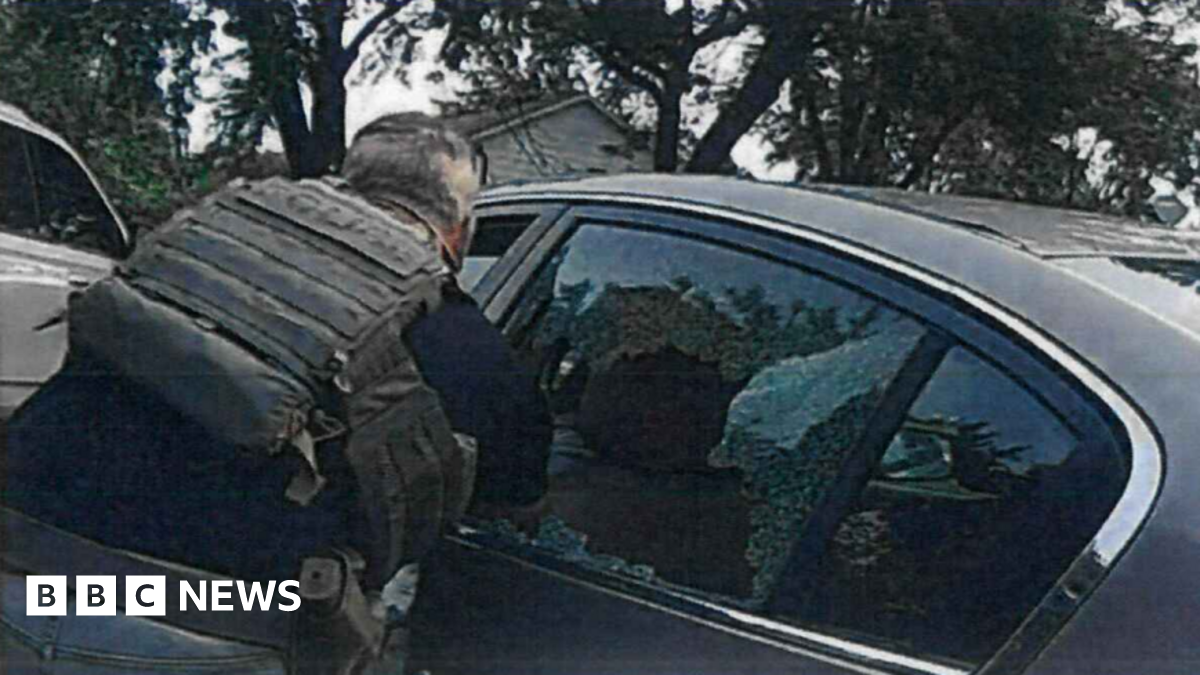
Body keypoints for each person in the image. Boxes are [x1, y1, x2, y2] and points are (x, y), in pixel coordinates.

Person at [0, 112, 551, 675]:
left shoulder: (202, 235)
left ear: (346, 184)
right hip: (211, 622)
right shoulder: (463, 341)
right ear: (458, 231)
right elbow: (516, 514)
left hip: (24, 554)